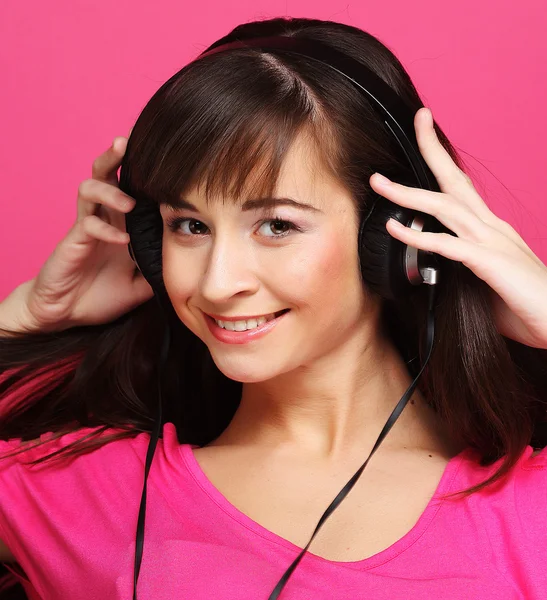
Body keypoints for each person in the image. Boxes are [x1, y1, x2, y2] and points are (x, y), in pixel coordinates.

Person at [0, 16, 546, 600]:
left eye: (277, 224)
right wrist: (28, 313)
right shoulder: (88, 499)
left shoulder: (528, 509)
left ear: (395, 240)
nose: (217, 282)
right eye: (189, 226)